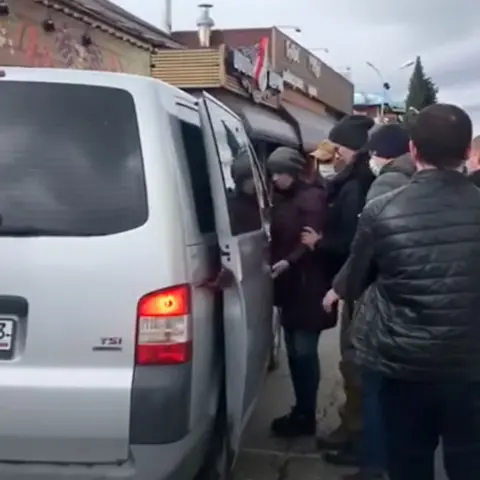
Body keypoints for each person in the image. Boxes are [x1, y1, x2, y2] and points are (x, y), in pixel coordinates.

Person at [327, 104, 480, 480]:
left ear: (413, 150)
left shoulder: (382, 209)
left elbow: (353, 283)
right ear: (465, 153)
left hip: (404, 367)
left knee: (409, 459)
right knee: (469, 458)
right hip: (471, 369)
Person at [325, 123, 413, 479]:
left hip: (375, 294)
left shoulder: (386, 184)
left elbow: (367, 244)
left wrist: (341, 286)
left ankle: (368, 454)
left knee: (364, 372)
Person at [302, 115, 375, 457]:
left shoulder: (356, 185)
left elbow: (354, 243)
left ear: (349, 148)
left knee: (354, 361)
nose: (335, 155)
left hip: (359, 287)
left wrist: (320, 242)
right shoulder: (351, 180)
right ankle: (353, 429)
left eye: (338, 147)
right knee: (351, 362)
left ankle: (357, 436)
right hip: (356, 284)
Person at [268, 146, 335, 437]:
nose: (274, 178)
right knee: (294, 351)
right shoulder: (282, 198)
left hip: (310, 285)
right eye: (272, 172)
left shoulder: (312, 199)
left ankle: (306, 413)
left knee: (304, 352)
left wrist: (287, 260)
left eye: (280, 172)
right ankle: (301, 409)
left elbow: (309, 241)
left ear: (293, 171)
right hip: (290, 286)